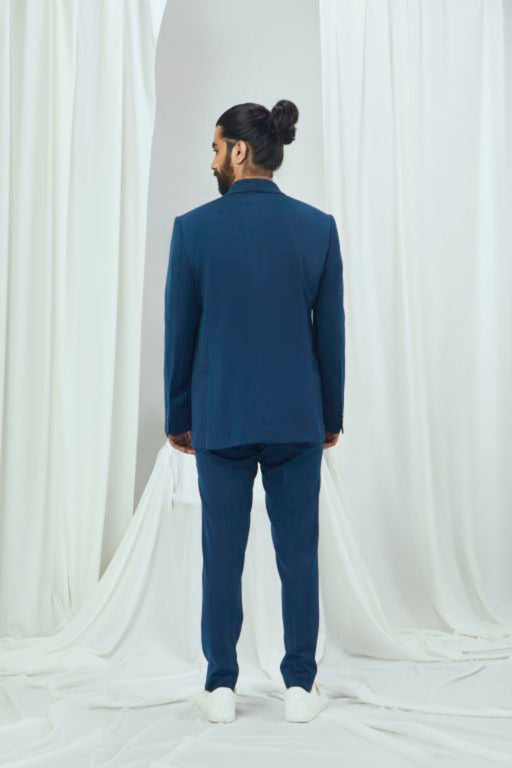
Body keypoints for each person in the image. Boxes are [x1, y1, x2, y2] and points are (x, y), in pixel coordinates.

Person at [163, 100, 345, 723]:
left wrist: (178, 416)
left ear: (239, 151)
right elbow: (330, 335)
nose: (213, 159)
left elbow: (180, 333)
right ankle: (299, 686)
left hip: (220, 417)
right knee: (299, 554)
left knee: (222, 554)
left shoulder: (192, 230)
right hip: (297, 417)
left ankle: (220, 686)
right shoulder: (318, 228)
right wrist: (331, 416)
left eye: (216, 147)